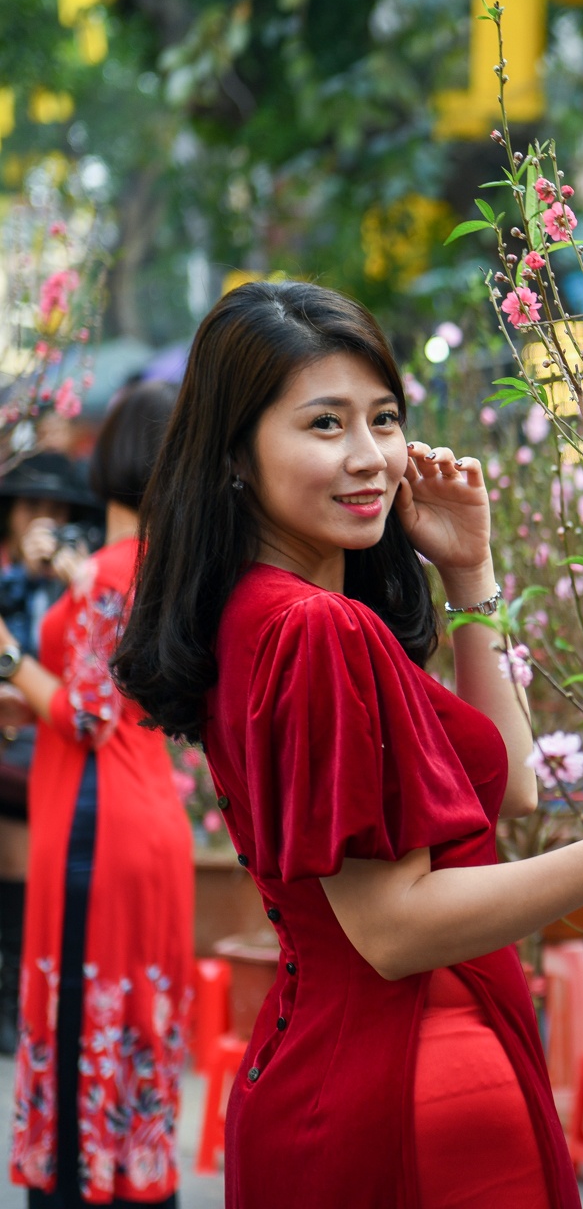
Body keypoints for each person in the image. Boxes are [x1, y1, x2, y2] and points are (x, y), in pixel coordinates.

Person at [110, 282, 583, 1209]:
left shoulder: (276, 618)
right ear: (238, 453)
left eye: (383, 419)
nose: (370, 458)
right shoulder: (315, 630)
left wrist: (470, 572)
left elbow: (505, 792)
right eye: (323, 424)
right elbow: (392, 930)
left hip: (350, 1071)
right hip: (402, 1097)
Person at [1, 384, 193, 1206]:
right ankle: (135, 1171)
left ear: (110, 457)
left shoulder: (110, 575)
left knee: (84, 1010)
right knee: (133, 1012)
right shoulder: (164, 570)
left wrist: (8, 658)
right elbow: (107, 703)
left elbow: (82, 714)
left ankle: (85, 1184)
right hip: (143, 811)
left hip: (95, 823)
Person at [0, 453, 102, 1059]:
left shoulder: (80, 583)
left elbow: (87, 685)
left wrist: (70, 581)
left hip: (48, 749)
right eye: (34, 507)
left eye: (59, 511)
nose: (47, 520)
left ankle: (14, 997)